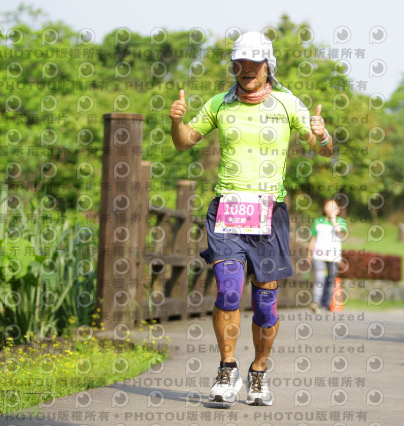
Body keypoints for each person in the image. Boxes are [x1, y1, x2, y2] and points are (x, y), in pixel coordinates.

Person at [169, 31, 332, 406]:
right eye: (239, 63)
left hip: (268, 214)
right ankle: (227, 369)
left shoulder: (287, 103)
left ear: (268, 65)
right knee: (227, 290)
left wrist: (322, 137)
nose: (245, 70)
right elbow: (184, 141)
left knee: (264, 304)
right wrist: (176, 121)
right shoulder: (220, 103)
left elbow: (323, 149)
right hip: (227, 208)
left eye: (253, 63)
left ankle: (258, 372)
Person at [308, 199, 347, 313]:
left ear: (338, 209)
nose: (330, 208)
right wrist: (309, 255)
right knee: (319, 278)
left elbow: (339, 231)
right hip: (318, 254)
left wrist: (333, 218)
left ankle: (327, 303)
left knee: (330, 279)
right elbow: (313, 238)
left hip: (333, 256)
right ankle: (316, 302)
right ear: (324, 208)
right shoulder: (318, 221)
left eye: (333, 206)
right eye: (328, 206)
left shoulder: (340, 221)